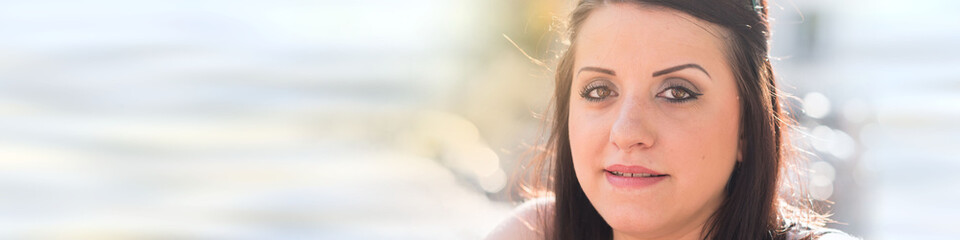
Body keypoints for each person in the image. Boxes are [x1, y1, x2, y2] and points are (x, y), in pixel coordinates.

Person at [486, 0, 859, 239]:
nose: (627, 132)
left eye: (677, 92)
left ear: (747, 125)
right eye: (599, 91)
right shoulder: (532, 233)